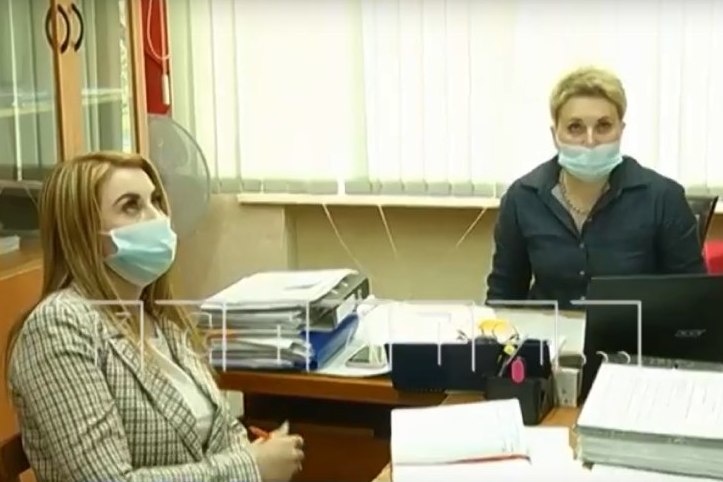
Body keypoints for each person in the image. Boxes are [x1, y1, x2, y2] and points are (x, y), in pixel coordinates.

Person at [5, 152, 304, 481]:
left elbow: (222, 428)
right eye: (131, 206)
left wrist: (254, 457)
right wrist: (250, 467)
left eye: (156, 201)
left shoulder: (161, 318)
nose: (158, 217)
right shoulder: (57, 327)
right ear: (83, 232)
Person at [486, 66, 705, 309]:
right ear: (555, 134)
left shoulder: (664, 198)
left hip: (634, 332)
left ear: (621, 130)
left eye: (603, 126)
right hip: (548, 331)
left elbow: (692, 300)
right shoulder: (522, 198)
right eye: (575, 127)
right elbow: (503, 296)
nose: (590, 141)